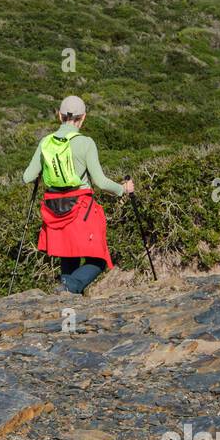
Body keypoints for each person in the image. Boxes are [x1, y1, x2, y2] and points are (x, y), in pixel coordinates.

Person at [21, 95, 134, 294]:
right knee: (98, 259)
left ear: (59, 116)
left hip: (53, 210)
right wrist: (123, 189)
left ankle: (67, 294)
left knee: (68, 255)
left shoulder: (45, 142)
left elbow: (27, 176)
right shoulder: (86, 143)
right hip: (80, 207)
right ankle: (70, 287)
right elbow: (100, 182)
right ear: (83, 118)